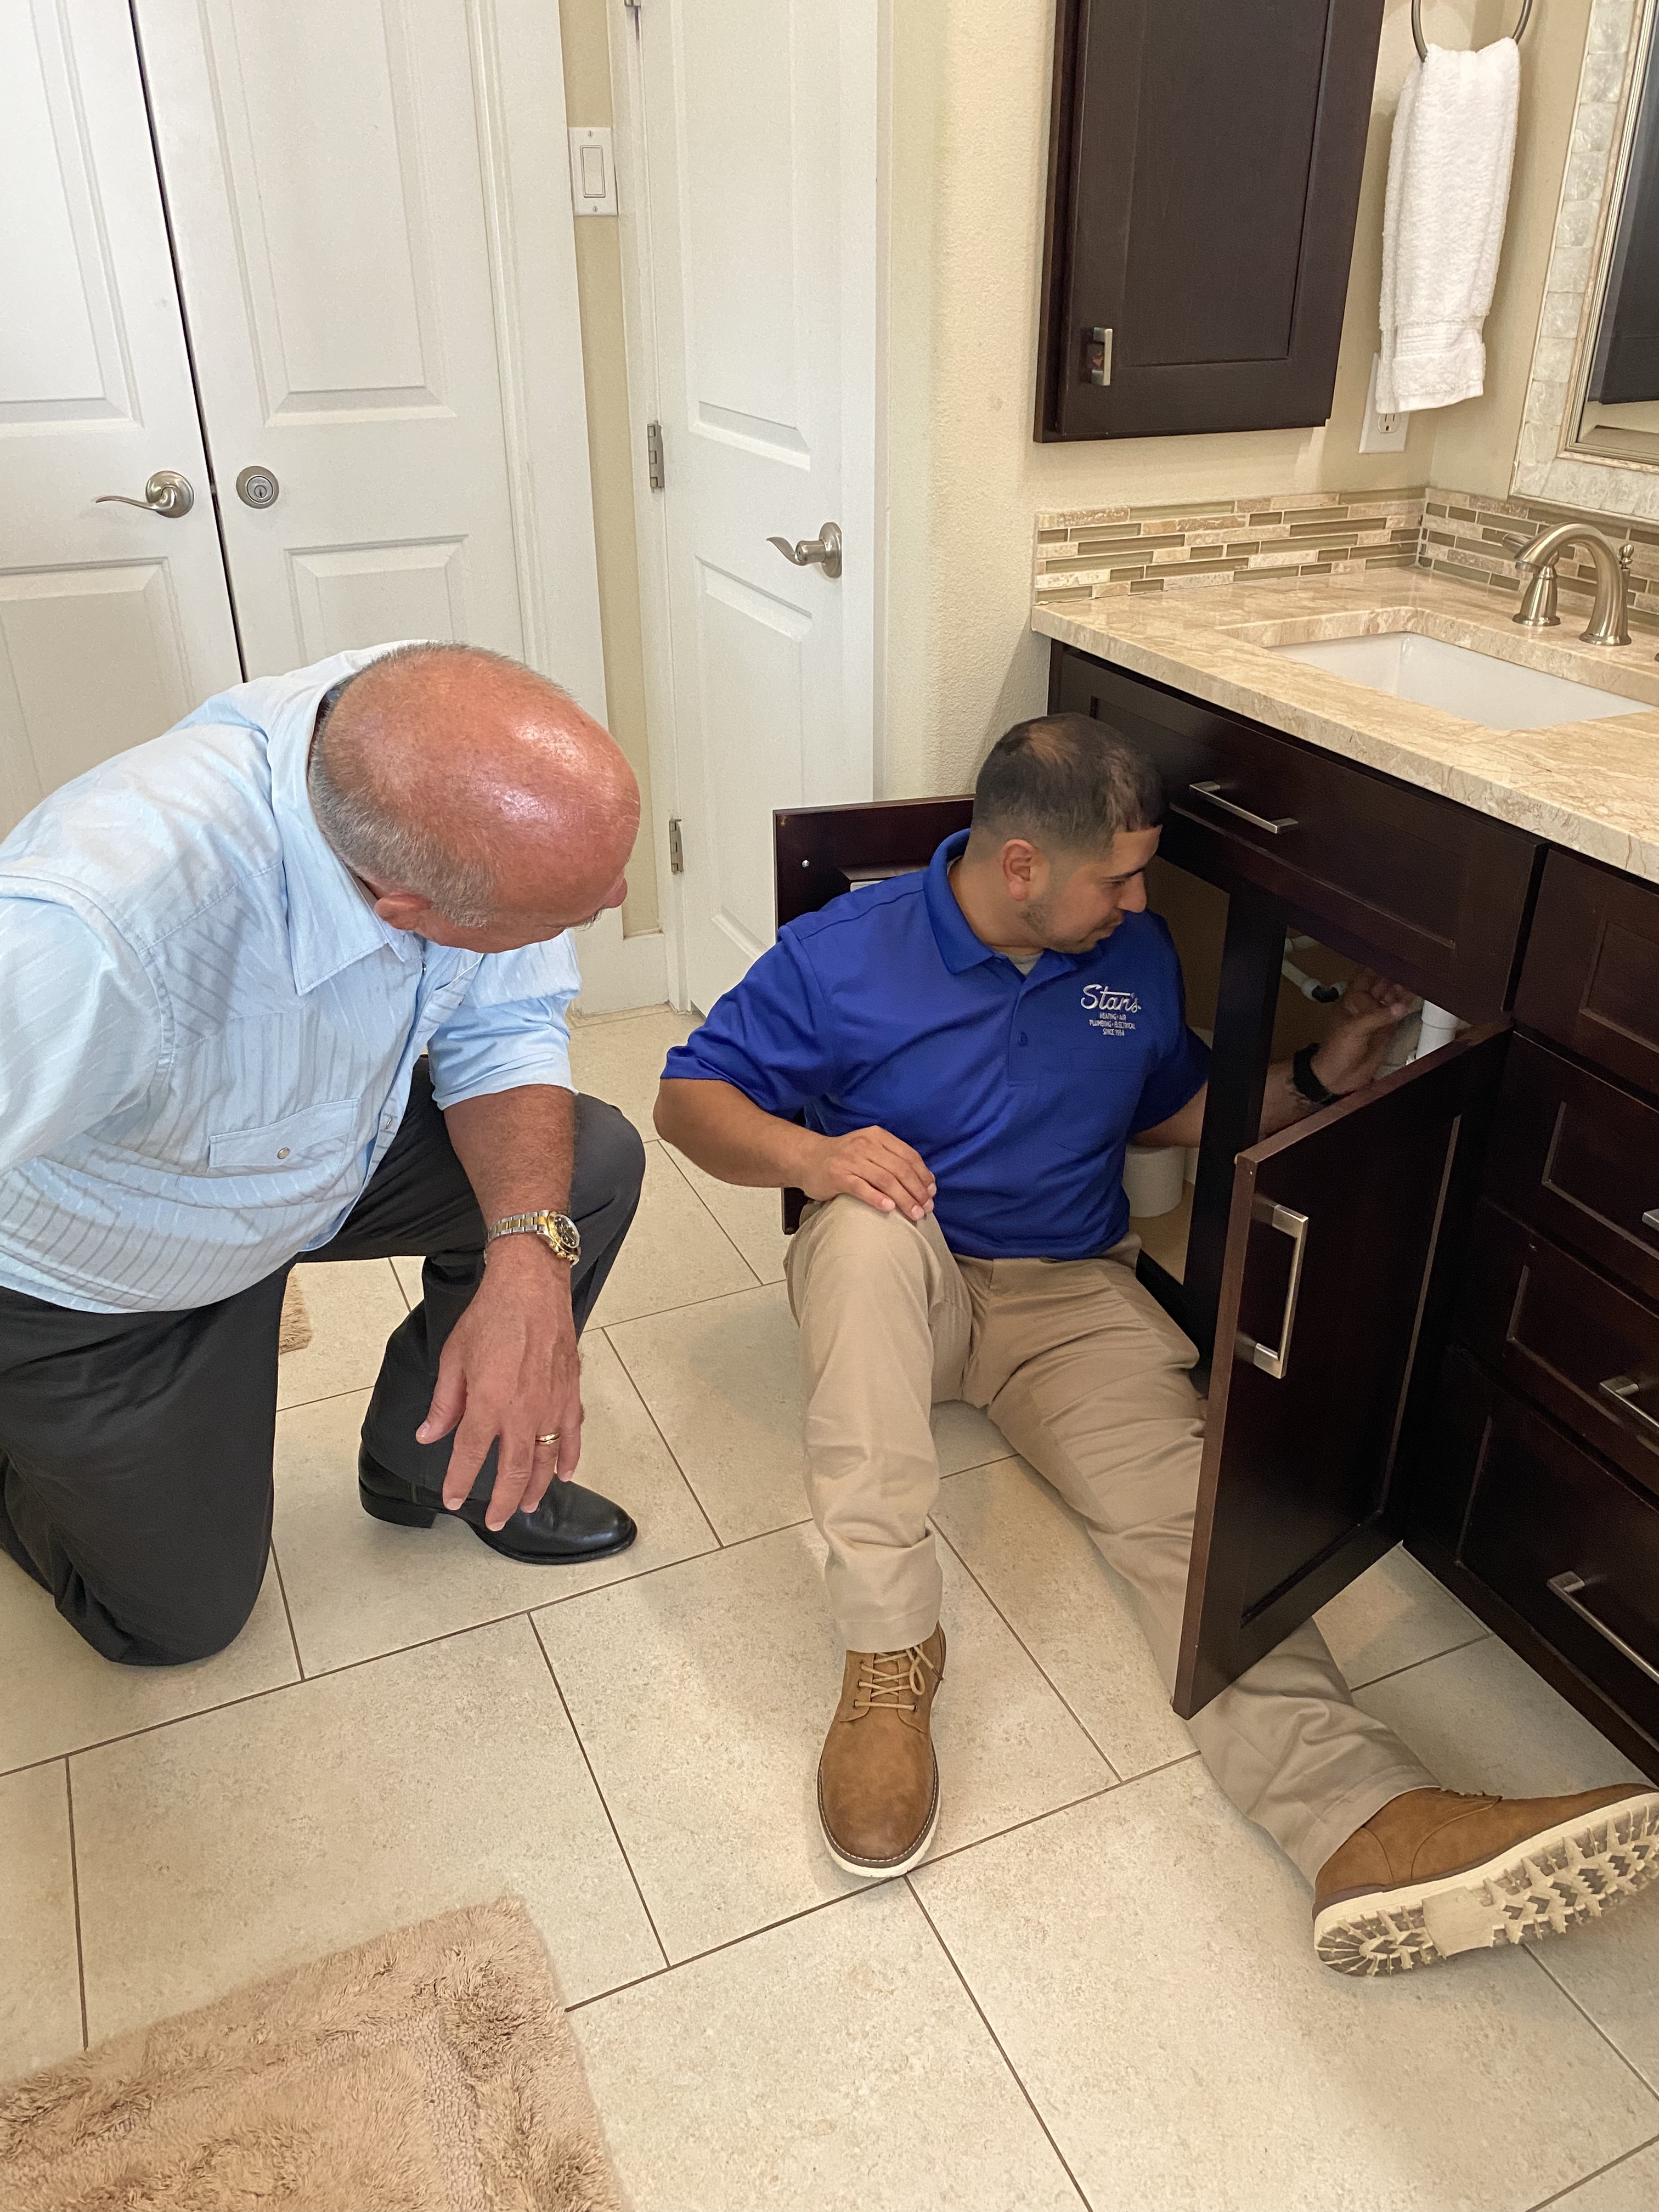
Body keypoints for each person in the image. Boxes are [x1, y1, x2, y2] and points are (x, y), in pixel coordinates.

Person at [654, 712, 1659, 1977]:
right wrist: (814, 1156)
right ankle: (887, 1652)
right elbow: (685, 1097)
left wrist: (1329, 1068)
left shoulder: (1133, 956)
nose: (1140, 898)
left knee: (1192, 1517)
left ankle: (1359, 1816)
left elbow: (1179, 1109)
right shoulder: (839, 956)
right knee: (858, 1232)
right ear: (1022, 866)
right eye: (1118, 875)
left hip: (1069, 1300)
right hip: (902, 1278)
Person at [0, 642, 647, 1670]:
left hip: (320, 1152)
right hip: (106, 1277)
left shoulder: (436, 746)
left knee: (590, 1167)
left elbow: (507, 1023)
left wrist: (528, 1259)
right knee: (174, 1624)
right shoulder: (88, 933)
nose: (615, 899)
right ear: (405, 910)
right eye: (567, 915)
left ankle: (426, 1467)